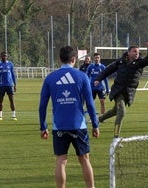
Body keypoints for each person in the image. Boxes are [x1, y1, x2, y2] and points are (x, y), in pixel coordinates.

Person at [39, 46, 100, 188]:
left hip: (59, 125)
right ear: (74, 59)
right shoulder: (82, 76)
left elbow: (42, 105)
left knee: (61, 160)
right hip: (79, 125)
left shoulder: (50, 78)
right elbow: (90, 104)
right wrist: (95, 124)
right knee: (84, 159)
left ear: (59, 59)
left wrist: (43, 126)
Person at [94, 42, 148, 138]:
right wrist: (98, 79)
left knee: (115, 111)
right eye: (134, 51)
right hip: (118, 91)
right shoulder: (120, 62)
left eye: (138, 52)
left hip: (129, 92)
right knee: (121, 112)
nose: (136, 53)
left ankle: (98, 119)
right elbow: (107, 70)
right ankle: (116, 137)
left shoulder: (140, 62)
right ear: (129, 53)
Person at [0, 51, 17, 121]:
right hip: (1, 85)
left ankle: (14, 115)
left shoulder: (10, 64)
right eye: (3, 56)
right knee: (0, 101)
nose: (5, 57)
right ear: (1, 56)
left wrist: (15, 84)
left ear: (7, 57)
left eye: (6, 56)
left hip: (9, 85)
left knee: (11, 100)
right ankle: (0, 116)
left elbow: (13, 75)